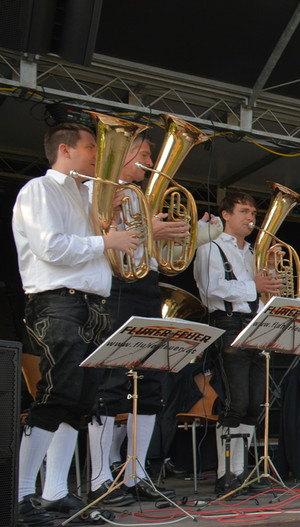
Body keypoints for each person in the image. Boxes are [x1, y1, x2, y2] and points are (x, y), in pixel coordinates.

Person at [12, 122, 141, 524]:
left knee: (81, 401)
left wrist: (110, 222)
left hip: (91, 304)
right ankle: (20, 494)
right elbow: (50, 248)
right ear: (65, 150)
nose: (98, 156)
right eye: (91, 148)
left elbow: (106, 254)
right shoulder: (39, 189)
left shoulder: (88, 196)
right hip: (59, 302)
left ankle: (54, 492)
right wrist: (105, 240)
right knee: (57, 393)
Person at [86, 133, 192, 505]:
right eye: (145, 155)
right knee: (111, 382)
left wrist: (164, 237)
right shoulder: (101, 192)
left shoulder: (142, 199)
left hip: (147, 287)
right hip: (115, 287)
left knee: (149, 384)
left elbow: (158, 257)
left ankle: (136, 473)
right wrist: (151, 232)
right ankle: (100, 477)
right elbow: (99, 238)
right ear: (125, 154)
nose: (150, 163)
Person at [193, 190, 281, 494]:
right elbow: (210, 288)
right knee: (236, 401)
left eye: (253, 213)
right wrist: (253, 285)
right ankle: (225, 474)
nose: (251, 218)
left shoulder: (253, 252)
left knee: (255, 403)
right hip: (228, 324)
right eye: (244, 211)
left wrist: (270, 273)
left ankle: (240, 472)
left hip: (254, 325)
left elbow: (262, 292)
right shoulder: (210, 246)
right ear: (226, 215)